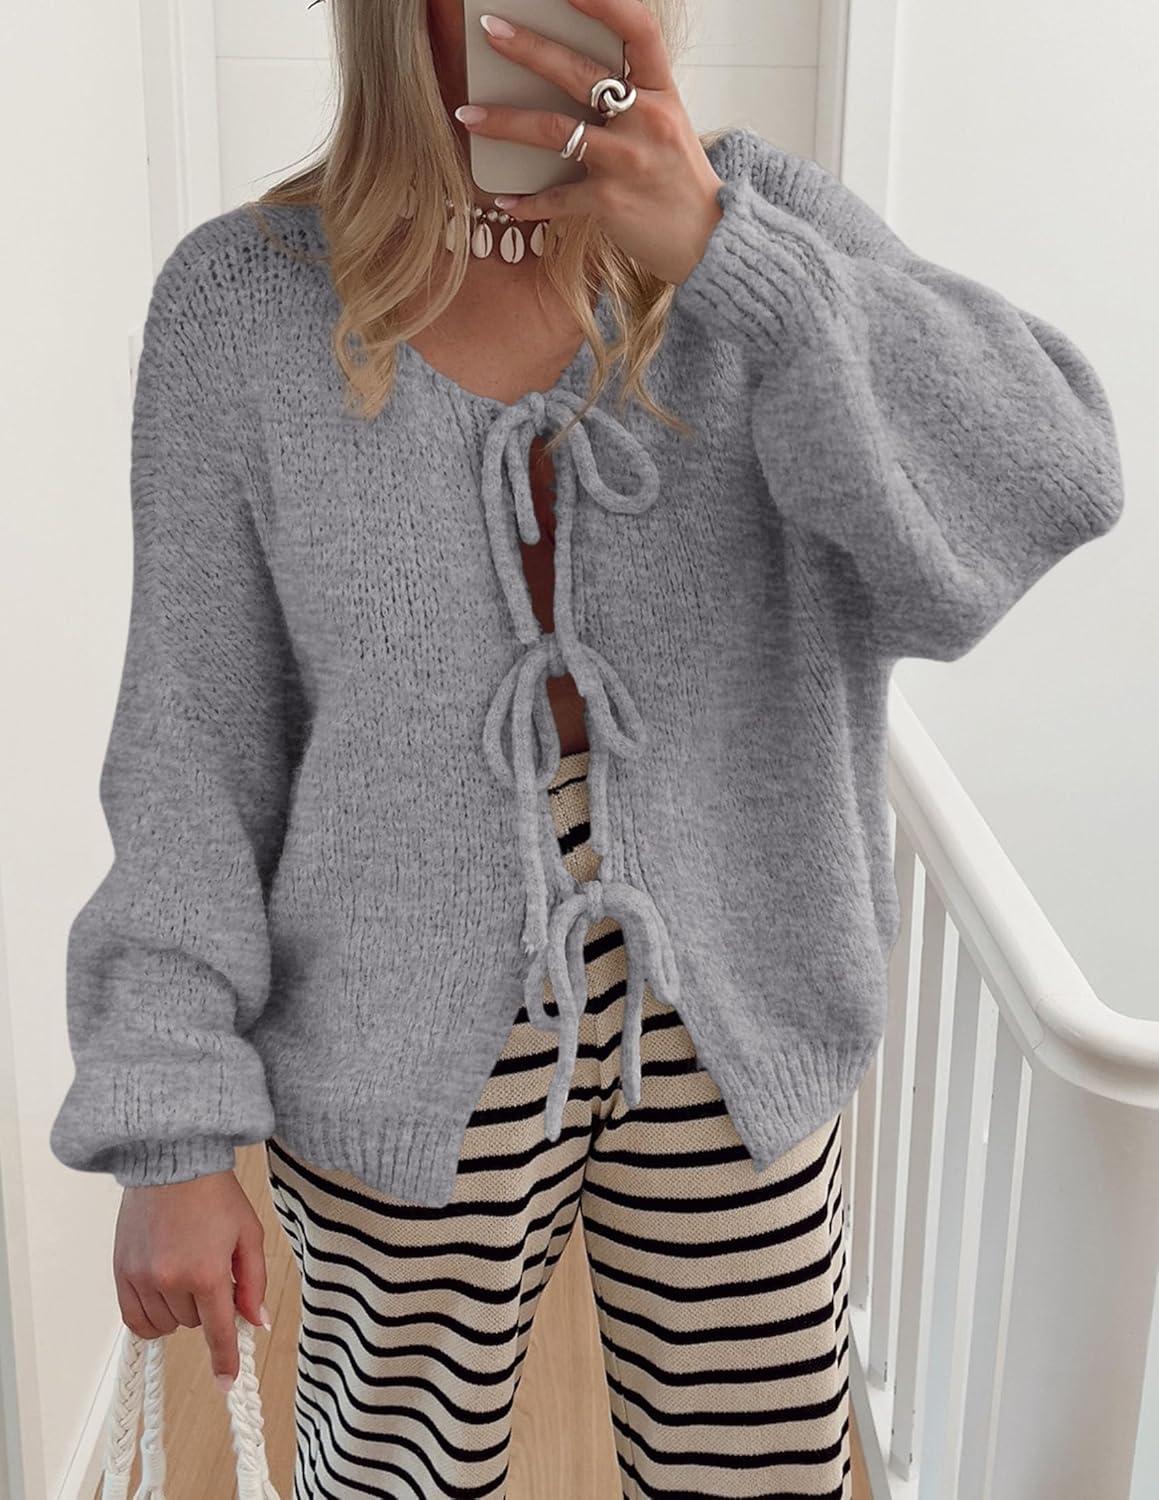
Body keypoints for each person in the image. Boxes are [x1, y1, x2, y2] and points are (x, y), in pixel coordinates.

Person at [49, 0, 1125, 1495]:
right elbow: (191, 738)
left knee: (758, 1466)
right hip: (387, 1018)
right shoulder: (241, 308)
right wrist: (171, 1122)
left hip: (737, 995)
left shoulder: (761, 226)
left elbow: (1055, 473)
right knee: (395, 1475)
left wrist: (729, 254)